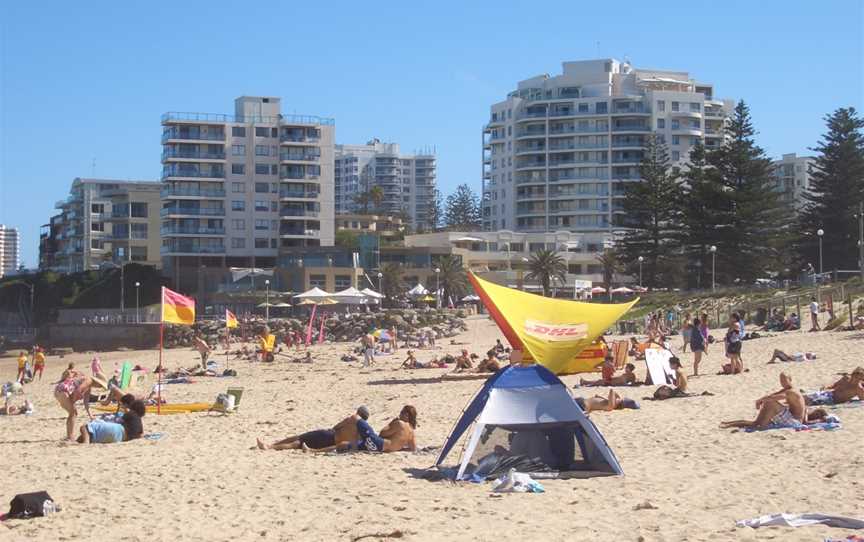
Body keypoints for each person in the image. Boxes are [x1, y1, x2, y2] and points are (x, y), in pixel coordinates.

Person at [307, 405, 418, 454]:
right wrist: (397, 448)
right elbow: (412, 449)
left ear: (407, 415)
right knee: (345, 445)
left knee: (356, 418)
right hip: (379, 449)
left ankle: (334, 429)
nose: (400, 414)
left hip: (377, 443)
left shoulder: (399, 423)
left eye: (402, 412)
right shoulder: (411, 432)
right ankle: (313, 451)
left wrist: (391, 423)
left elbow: (383, 433)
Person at [256, 406, 371, 451]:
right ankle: (271, 445)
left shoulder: (352, 420)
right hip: (330, 444)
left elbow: (336, 427)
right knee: (299, 443)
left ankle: (270, 446)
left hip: (329, 435)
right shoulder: (362, 432)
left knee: (298, 439)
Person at [720, 372, 806, 429]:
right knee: (766, 406)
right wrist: (762, 400)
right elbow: (772, 395)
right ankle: (730, 423)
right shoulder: (787, 389)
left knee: (771, 403)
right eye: (781, 381)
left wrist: (759, 401)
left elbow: (773, 398)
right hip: (790, 417)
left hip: (795, 422)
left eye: (784, 380)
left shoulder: (792, 392)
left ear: (790, 380)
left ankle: (760, 425)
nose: (782, 383)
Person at [54, 373, 102, 441]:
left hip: (60, 391)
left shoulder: (88, 387)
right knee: (73, 413)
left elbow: (86, 402)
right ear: (97, 382)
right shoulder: (89, 380)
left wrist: (90, 415)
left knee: (72, 413)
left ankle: (69, 436)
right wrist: (73, 400)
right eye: (100, 385)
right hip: (62, 391)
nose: (99, 387)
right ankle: (70, 437)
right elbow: (78, 390)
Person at [78, 399, 145, 444]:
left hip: (118, 429)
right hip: (120, 438)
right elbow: (141, 435)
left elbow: (118, 421)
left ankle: (85, 443)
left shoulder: (131, 414)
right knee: (92, 435)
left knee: (84, 427)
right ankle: (81, 441)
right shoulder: (139, 421)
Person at [575, 389, 640, 413]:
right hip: (582, 402)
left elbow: (612, 391)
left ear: (620, 402)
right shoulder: (608, 403)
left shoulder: (611, 406)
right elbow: (597, 396)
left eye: (620, 399)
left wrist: (618, 397)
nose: (617, 398)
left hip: (583, 405)